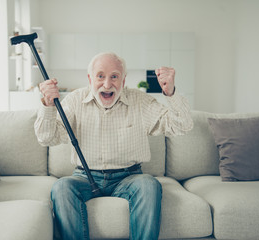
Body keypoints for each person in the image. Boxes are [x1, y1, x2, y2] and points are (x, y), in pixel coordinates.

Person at [34, 52, 193, 240]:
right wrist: (48, 105)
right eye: (100, 76)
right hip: (84, 176)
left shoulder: (139, 101)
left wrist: (171, 93)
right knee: (61, 187)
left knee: (149, 185)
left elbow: (182, 126)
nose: (107, 84)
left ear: (123, 81)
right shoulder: (75, 100)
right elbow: (47, 138)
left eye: (114, 77)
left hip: (129, 177)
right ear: (90, 78)